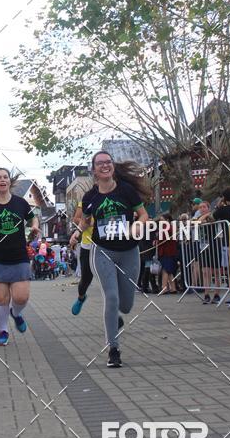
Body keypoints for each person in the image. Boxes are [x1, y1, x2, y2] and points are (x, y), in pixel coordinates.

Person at [76, 152, 149, 368]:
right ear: (94, 169)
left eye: (108, 162)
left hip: (129, 251)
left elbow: (144, 215)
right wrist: (77, 233)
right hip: (103, 250)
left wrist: (138, 224)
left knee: (125, 305)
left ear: (113, 167)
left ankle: (117, 318)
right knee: (111, 297)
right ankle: (113, 349)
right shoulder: (90, 197)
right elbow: (86, 221)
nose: (105, 166)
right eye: (100, 164)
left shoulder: (126, 190)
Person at [0, 168, 40, 345]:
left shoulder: (20, 203)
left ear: (9, 181)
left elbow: (32, 219)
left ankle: (16, 313)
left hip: (19, 256)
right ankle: (3, 330)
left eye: (5, 177)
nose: (2, 180)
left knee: (21, 298)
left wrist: (35, 226)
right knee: (1, 299)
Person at [69, 197, 95, 315]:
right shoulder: (89, 197)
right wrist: (93, 222)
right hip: (88, 243)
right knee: (85, 279)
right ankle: (81, 297)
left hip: (106, 244)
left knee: (109, 282)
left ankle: (113, 313)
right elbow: (76, 218)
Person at [157, 213, 179, 294]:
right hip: (166, 251)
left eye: (162, 220)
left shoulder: (168, 227)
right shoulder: (166, 227)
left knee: (165, 270)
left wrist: (157, 240)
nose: (160, 221)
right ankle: (173, 288)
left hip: (167, 251)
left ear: (167, 220)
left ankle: (164, 288)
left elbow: (162, 238)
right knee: (168, 270)